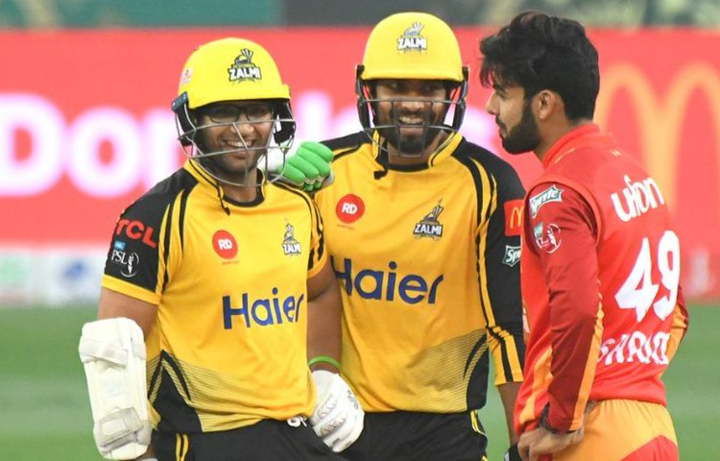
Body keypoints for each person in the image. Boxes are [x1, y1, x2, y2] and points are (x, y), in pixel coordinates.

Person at [78, 37, 363, 461]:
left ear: (277, 118)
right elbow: (113, 346)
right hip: (206, 440)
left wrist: (323, 372)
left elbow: (319, 291)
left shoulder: (299, 205)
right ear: (191, 119)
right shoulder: (156, 216)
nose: (243, 129)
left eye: (257, 112)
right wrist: (136, 454)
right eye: (223, 113)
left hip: (298, 435)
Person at [306, 11, 526, 461]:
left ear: (452, 93)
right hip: (336, 426)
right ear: (369, 90)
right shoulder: (325, 172)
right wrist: (270, 190)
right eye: (396, 87)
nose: (412, 103)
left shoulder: (489, 183)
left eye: (428, 89)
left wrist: (524, 443)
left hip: (443, 434)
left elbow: (507, 328)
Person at [479, 11, 689, 461]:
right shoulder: (636, 177)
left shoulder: (557, 192)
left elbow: (577, 310)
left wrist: (562, 419)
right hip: (653, 429)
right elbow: (675, 312)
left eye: (503, 93)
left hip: (591, 438)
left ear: (544, 104)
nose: (492, 108)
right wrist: (628, 378)